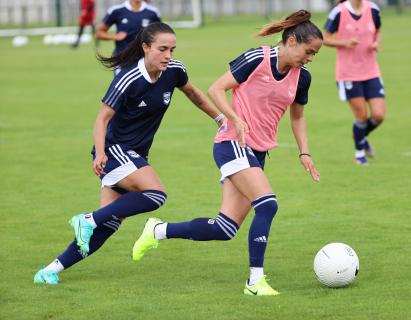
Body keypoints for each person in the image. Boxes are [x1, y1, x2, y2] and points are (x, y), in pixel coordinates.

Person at [131, 10, 323, 296]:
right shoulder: (257, 58)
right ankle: (254, 282)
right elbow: (217, 89)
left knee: (224, 228)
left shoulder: (301, 78)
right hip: (231, 143)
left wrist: (304, 153)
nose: (309, 58)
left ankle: (158, 230)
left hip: (256, 153)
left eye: (314, 55)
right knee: (268, 204)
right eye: (308, 51)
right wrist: (234, 118)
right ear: (291, 41)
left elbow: (297, 117)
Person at [33, 22, 223, 285]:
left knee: (107, 225)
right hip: (114, 151)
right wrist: (100, 153)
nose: (168, 55)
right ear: (145, 47)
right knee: (156, 195)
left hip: (134, 155)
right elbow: (101, 119)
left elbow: (194, 94)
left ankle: (50, 270)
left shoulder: (174, 71)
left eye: (172, 49)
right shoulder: (128, 78)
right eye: (162, 49)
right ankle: (86, 219)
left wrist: (220, 118)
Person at [323, 0, 386, 165]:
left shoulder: (372, 9)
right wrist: (344, 43)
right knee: (361, 116)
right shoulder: (339, 11)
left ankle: (360, 135)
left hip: (371, 71)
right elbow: (324, 38)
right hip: (348, 74)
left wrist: (376, 42)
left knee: (379, 115)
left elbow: (378, 31)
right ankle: (359, 155)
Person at [96, 0, 161, 74]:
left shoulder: (153, 12)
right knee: (121, 84)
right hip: (123, 58)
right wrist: (115, 36)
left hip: (145, 59)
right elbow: (99, 33)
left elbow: (159, 34)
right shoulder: (116, 10)